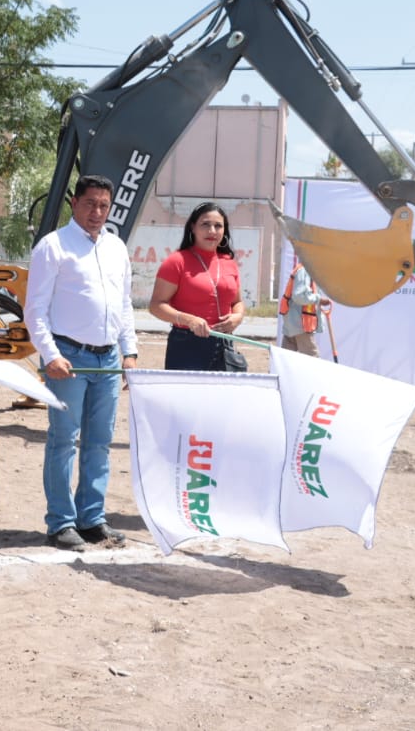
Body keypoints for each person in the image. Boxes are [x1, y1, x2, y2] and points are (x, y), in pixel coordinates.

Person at [25, 174, 138, 551]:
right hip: (68, 358)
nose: (97, 212)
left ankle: (91, 518)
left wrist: (130, 351)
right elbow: (35, 310)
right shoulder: (53, 246)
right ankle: (60, 522)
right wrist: (50, 355)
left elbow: (124, 305)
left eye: (104, 205)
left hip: (106, 360)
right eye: (90, 203)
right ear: (75, 202)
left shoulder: (116, 248)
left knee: (100, 442)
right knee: (63, 441)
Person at [148, 202, 246, 370]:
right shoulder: (177, 261)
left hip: (224, 345)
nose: (212, 231)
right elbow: (156, 305)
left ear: (224, 230)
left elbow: (237, 302)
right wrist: (189, 320)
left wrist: (238, 317)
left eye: (218, 226)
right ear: (193, 227)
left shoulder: (229, 263)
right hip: (187, 346)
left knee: (223, 396)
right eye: (205, 224)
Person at [278, 261, 329, 357]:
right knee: (312, 358)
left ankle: (283, 372)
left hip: (293, 321)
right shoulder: (305, 271)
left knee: (286, 358)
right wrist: (318, 299)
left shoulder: (303, 269)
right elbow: (299, 296)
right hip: (301, 323)